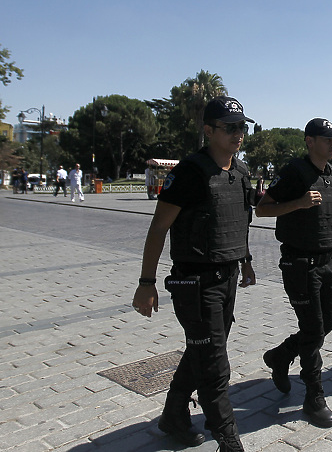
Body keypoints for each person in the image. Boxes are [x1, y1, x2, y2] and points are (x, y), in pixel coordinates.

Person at [132, 97, 258, 451]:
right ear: (208, 130)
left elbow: (239, 221)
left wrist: (245, 260)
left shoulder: (242, 172)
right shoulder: (188, 172)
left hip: (228, 276)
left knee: (202, 351)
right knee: (216, 367)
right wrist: (146, 283)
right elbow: (158, 229)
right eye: (229, 127)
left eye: (241, 127)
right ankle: (229, 440)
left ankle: (173, 415)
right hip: (196, 283)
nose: (238, 134)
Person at [255, 118, 332, 428]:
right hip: (299, 263)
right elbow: (263, 208)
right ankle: (313, 395)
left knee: (328, 322)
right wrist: (297, 203)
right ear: (310, 141)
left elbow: (324, 209)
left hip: (327, 261)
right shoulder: (294, 171)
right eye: (327, 138)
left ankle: (281, 356)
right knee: (313, 330)